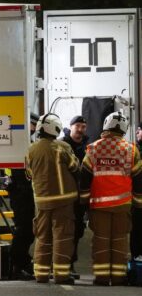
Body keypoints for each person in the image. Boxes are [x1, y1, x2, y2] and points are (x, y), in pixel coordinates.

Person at [80, 112, 142, 286]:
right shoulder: (131, 150)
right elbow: (138, 179)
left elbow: (84, 177)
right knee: (120, 241)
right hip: (123, 204)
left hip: (99, 205)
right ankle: (118, 277)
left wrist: (84, 202)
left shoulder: (93, 148)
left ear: (106, 125)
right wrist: (137, 203)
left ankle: (101, 277)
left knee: (101, 241)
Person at [27, 113, 79, 285]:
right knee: (62, 237)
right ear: (55, 128)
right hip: (63, 201)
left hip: (41, 201)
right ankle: (61, 275)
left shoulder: (31, 149)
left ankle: (40, 274)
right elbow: (74, 166)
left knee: (42, 237)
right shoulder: (61, 147)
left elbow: (29, 174)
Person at [9, 112, 39, 280]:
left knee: (27, 229)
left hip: (26, 190)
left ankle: (20, 262)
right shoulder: (20, 144)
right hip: (20, 191)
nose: (34, 128)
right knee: (24, 229)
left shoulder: (30, 143)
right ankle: (17, 264)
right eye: (32, 125)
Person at [61, 115, 89, 278]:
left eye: (83, 126)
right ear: (70, 127)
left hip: (80, 197)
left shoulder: (88, 147)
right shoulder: (62, 145)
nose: (80, 129)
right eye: (77, 125)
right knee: (63, 231)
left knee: (77, 231)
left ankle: (70, 264)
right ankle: (59, 263)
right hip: (64, 196)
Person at [130, 123, 142, 261]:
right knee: (137, 230)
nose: (137, 132)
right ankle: (136, 258)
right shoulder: (133, 149)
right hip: (137, 200)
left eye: (140, 130)